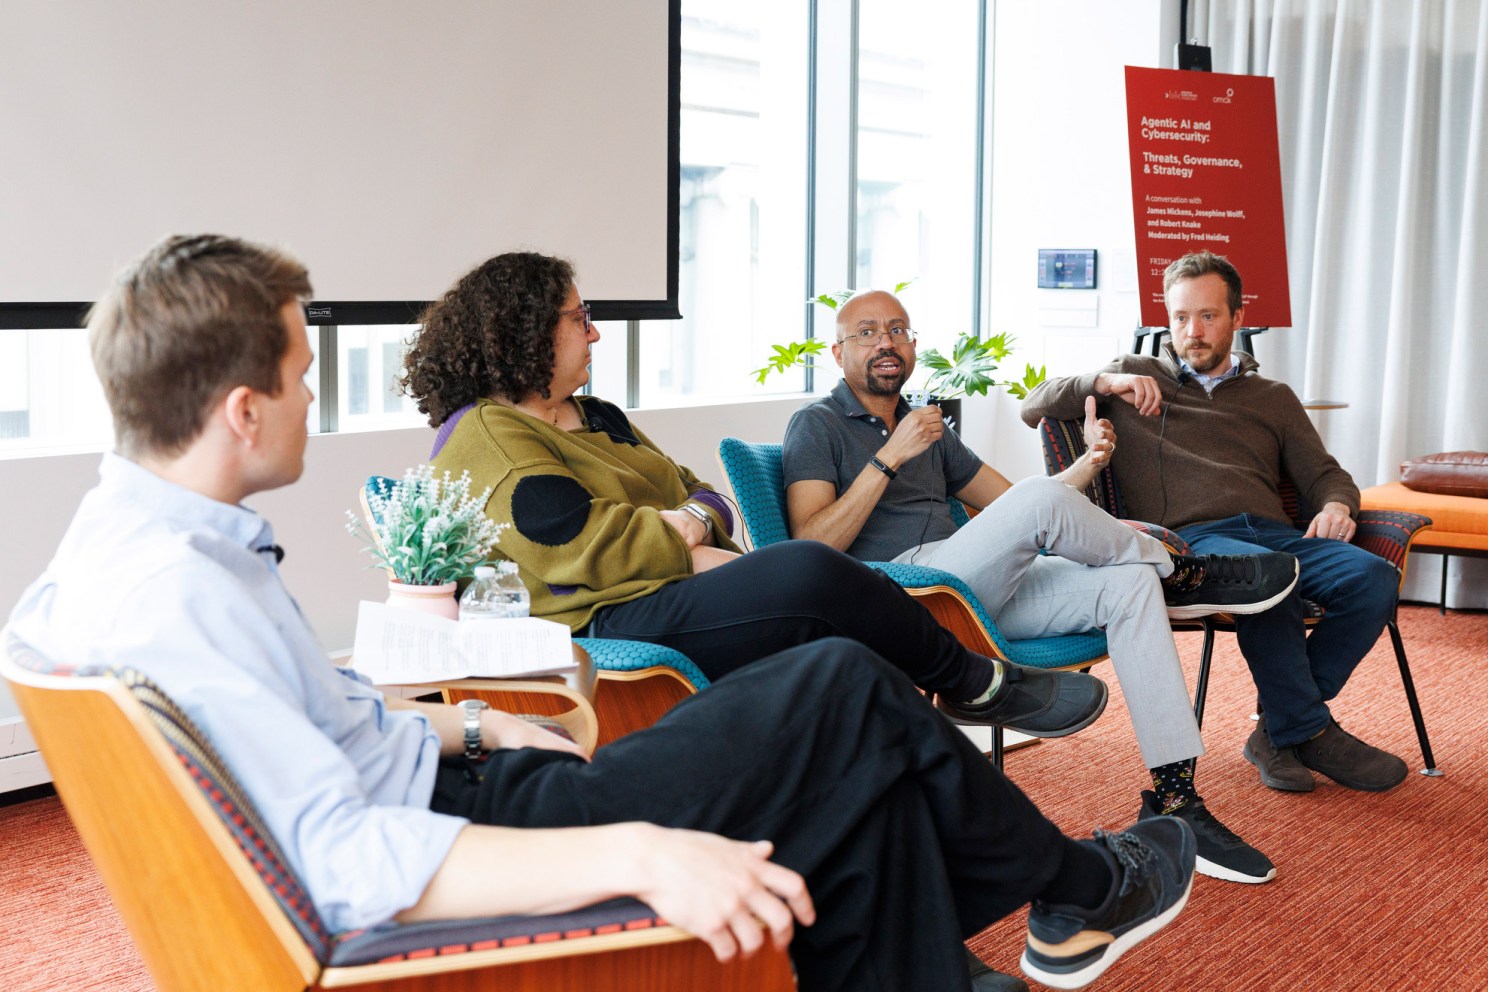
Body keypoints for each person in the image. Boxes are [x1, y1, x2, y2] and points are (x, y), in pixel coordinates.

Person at [4, 234, 1199, 992]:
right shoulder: (182, 592)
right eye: (302, 375)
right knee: (840, 685)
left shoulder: (128, 557)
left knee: (842, 704)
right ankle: (1076, 892)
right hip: (478, 840)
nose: (316, 398)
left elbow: (309, 738)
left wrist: (465, 727)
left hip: (466, 776)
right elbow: (345, 859)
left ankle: (955, 946)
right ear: (239, 408)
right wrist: (638, 852)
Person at [401, 251, 1108, 748]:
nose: (594, 330)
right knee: (809, 571)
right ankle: (975, 682)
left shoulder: (598, 416)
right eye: (579, 316)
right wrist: (689, 537)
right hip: (605, 624)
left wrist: (689, 521)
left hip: (673, 594)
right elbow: (593, 550)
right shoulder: (489, 435)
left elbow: (702, 491)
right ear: (525, 333)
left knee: (856, 678)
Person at [781, 289, 1298, 887]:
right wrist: (890, 457)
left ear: (914, 345)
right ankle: (1180, 571)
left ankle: (1177, 798)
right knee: (1111, 544)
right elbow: (812, 547)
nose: (886, 342)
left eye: (897, 329)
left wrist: (1086, 468)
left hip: (971, 588)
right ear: (838, 351)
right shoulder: (816, 425)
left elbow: (1015, 506)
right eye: (867, 332)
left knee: (1129, 583)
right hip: (902, 595)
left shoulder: (927, 424)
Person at [1020, 250, 1409, 795]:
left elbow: (1324, 474)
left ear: (1237, 317)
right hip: (1189, 541)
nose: (1192, 331)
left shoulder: (1272, 397)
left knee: (1374, 580)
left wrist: (1336, 506)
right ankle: (1308, 730)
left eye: (1207, 316)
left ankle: (1278, 729)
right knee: (1264, 578)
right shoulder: (1135, 378)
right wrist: (1105, 382)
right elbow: (1033, 405)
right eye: (1180, 318)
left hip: (1274, 533)